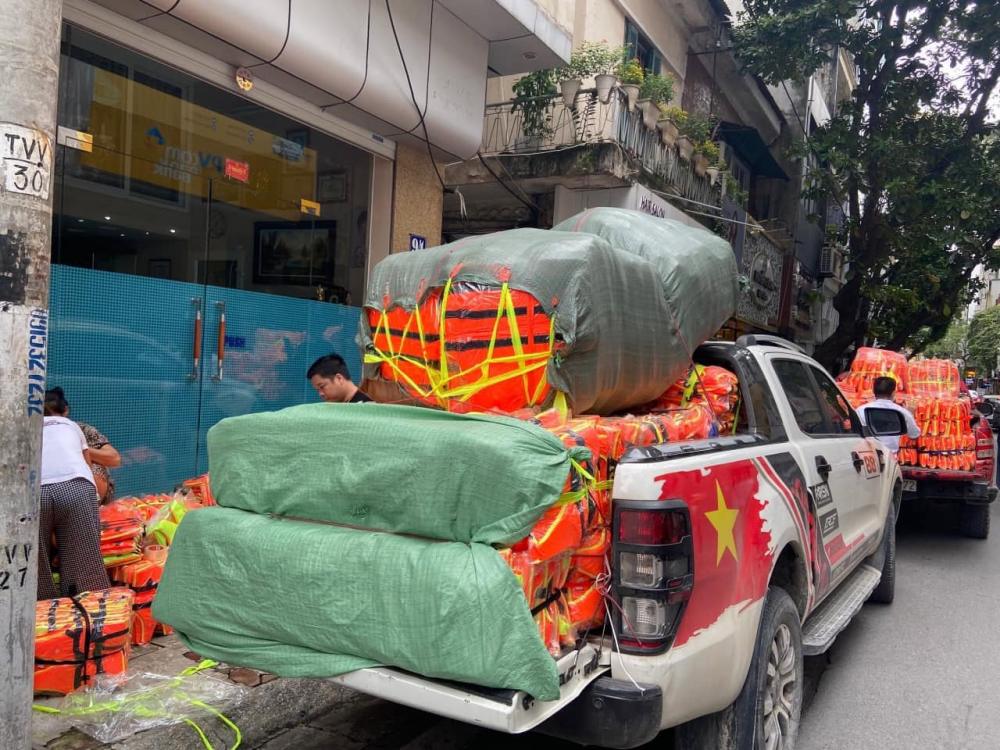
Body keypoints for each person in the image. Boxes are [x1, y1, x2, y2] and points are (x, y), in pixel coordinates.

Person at [38, 388, 111, 599]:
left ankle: (43, 614)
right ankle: (88, 611)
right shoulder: (73, 427)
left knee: (36, 559)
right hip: (77, 487)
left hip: (37, 492)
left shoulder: (26, 427)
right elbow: (86, 463)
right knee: (84, 558)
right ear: (65, 410)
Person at [45, 387, 121, 503]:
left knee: (93, 468)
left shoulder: (81, 429)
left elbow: (114, 459)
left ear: (66, 411)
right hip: (47, 494)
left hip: (85, 495)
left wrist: (75, 447)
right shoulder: (34, 434)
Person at [857, 376, 921, 453]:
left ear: (873, 391)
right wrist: (910, 414)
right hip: (890, 456)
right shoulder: (902, 412)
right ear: (894, 392)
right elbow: (914, 435)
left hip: (868, 455)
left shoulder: (860, 410)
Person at [306, 353, 372, 403]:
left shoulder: (368, 405)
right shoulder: (339, 406)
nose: (320, 394)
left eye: (322, 386)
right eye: (317, 390)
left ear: (339, 378)